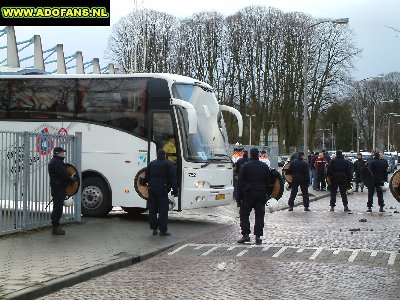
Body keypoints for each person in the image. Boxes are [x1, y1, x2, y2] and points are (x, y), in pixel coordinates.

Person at [237, 148, 271, 245]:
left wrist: (239, 198)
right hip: (260, 193)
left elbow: (240, 183)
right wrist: (267, 195)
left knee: (244, 214)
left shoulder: (245, 166)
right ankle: (258, 236)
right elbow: (268, 182)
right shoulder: (264, 166)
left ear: (250, 155)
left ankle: (246, 235)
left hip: (248, 193)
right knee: (259, 215)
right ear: (258, 155)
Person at [144, 149, 178, 236]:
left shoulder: (151, 164)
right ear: (165, 156)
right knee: (163, 210)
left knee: (152, 210)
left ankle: (154, 229)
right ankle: (163, 230)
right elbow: (172, 179)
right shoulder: (168, 164)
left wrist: (146, 184)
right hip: (162, 190)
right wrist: (175, 190)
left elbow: (146, 177)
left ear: (157, 156)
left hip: (152, 190)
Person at [48, 146, 75, 235]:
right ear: (57, 153)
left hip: (57, 188)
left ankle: (56, 227)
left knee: (57, 207)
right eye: (61, 152)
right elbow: (63, 175)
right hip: (58, 188)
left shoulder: (56, 162)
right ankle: (55, 228)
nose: (63, 154)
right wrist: (71, 179)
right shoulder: (57, 163)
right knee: (58, 209)